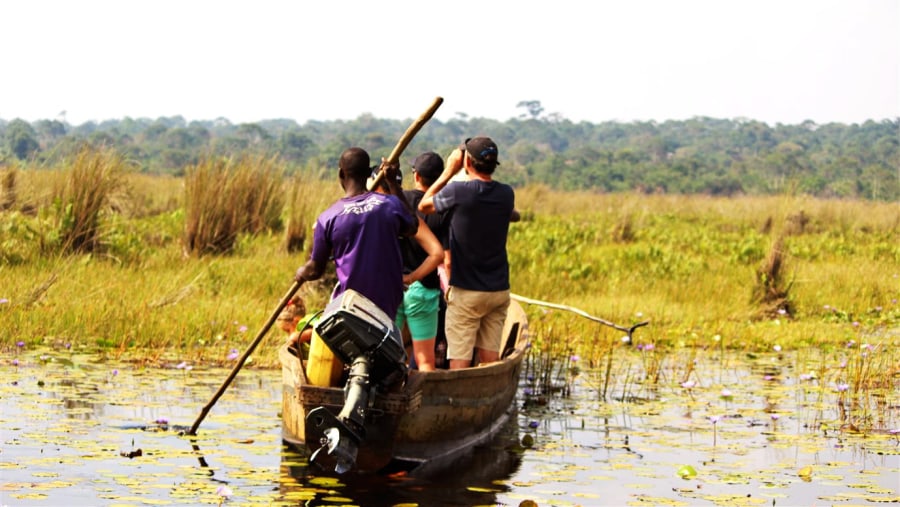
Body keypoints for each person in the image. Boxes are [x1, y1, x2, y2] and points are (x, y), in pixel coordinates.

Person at [419, 137, 516, 370]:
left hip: (467, 292)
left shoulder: (459, 191)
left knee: (459, 360)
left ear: (468, 163)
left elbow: (424, 205)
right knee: (490, 359)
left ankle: (457, 402)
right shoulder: (506, 194)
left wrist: (448, 171)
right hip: (498, 291)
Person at [293, 147, 417, 321]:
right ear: (368, 173)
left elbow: (315, 270)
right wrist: (393, 183)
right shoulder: (390, 204)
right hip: (388, 303)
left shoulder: (328, 218)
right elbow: (412, 226)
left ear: (341, 174)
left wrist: (301, 272)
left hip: (352, 308)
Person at [395, 152, 451, 371]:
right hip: (424, 288)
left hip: (396, 286)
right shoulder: (441, 209)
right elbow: (444, 256)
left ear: (415, 175)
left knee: (389, 352)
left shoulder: (399, 202)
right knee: (425, 359)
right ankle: (425, 402)